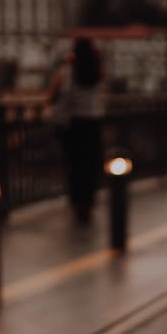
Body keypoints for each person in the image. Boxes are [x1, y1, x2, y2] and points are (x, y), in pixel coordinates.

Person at [46, 37, 106, 224]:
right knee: (90, 166)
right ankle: (88, 204)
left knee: (74, 165)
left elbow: (51, 96)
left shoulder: (66, 73)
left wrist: (67, 63)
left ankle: (76, 203)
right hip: (93, 124)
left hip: (73, 125)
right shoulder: (97, 73)